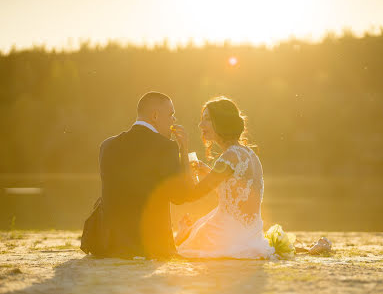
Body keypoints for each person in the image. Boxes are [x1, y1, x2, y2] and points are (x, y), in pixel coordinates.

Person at [82, 91, 201, 259]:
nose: (174, 120)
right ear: (155, 116)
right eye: (171, 114)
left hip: (109, 244)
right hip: (150, 245)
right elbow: (180, 197)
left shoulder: (107, 146)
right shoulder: (166, 147)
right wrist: (184, 150)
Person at [174, 96, 275, 259]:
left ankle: (183, 233)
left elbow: (193, 194)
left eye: (206, 119)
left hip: (226, 235)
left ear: (221, 121)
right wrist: (209, 173)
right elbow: (235, 193)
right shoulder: (249, 154)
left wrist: (183, 148)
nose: (201, 125)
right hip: (251, 237)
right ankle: (185, 233)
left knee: (178, 251)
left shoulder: (229, 156)